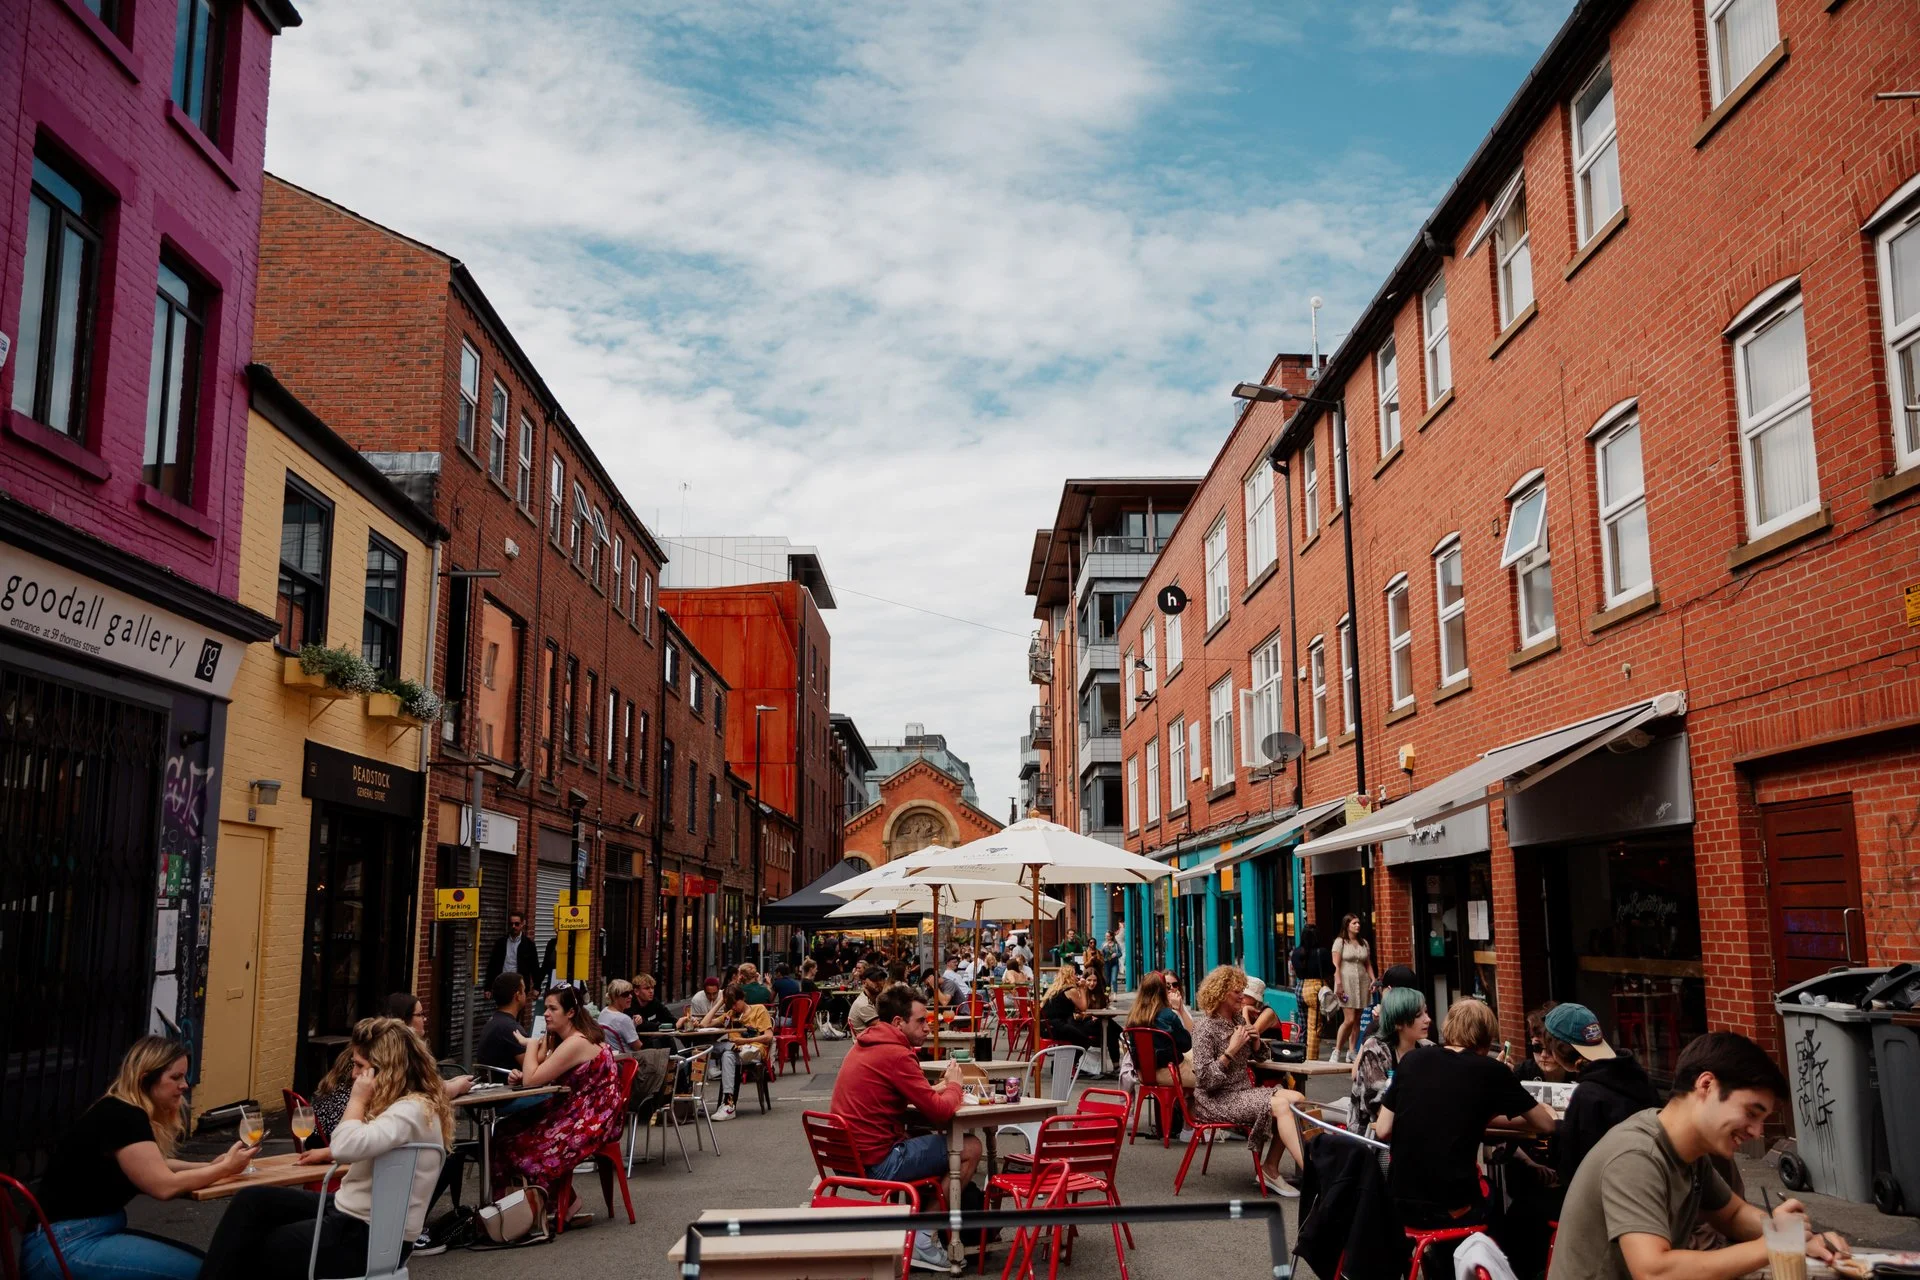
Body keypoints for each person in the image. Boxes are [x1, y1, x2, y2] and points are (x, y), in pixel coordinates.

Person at [1549, 1031, 1848, 1280]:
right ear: (1706, 1085)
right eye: (1751, 1112)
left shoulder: (1687, 1150)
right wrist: (1777, 1244)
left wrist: (1795, 1235)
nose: (1757, 1131)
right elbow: (1655, 1271)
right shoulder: (1636, 1155)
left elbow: (1731, 1214)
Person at [201, 1018, 451, 1280]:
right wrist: (328, 1152)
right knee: (252, 1201)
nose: (354, 1074)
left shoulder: (409, 1110)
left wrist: (357, 1099)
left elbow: (345, 1146)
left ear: (386, 1069)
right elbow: (372, 1143)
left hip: (369, 1238)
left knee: (267, 1244)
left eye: (360, 1066)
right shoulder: (408, 1108)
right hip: (353, 1215)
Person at [23, 1037, 255, 1280]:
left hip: (70, 1238)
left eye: (184, 1076)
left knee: (208, 1265)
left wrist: (210, 1166)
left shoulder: (118, 1108)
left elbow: (154, 1165)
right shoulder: (124, 1115)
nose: (185, 1085)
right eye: (175, 1077)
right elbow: (163, 1186)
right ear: (146, 1078)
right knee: (207, 1272)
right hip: (65, 1248)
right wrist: (225, 1168)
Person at [830, 984, 982, 1275]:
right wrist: (953, 1085)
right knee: (970, 1147)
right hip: (878, 1164)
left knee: (937, 1142)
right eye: (922, 1021)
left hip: (846, 1160)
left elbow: (909, 1094)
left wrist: (935, 1090)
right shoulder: (898, 1054)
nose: (928, 1027)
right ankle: (924, 1236)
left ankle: (916, 1228)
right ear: (898, 1023)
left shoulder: (866, 1043)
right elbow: (939, 1112)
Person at [1374, 999, 1557, 1228]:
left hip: (1398, 1201)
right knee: (1496, 1201)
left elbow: (1382, 1129)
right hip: (1453, 1205)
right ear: (1487, 1036)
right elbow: (1546, 1125)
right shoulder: (1492, 1071)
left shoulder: (1411, 1059)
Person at [491, 986, 625, 1218]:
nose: (546, 1014)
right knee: (506, 1130)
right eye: (546, 1008)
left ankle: (536, 1210)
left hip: (592, 1122)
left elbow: (533, 1080)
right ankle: (529, 1208)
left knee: (516, 1143)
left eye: (553, 1009)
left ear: (571, 1012)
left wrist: (531, 1045)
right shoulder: (568, 1039)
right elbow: (538, 1070)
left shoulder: (576, 1042)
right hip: (580, 1113)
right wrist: (522, 1073)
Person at [1189, 966, 1308, 1195]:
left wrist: (1255, 1043)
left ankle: (1270, 1168)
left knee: (1298, 1100)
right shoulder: (1204, 1028)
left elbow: (1262, 1056)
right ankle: (1316, 1177)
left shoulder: (1237, 1020)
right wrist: (1230, 1052)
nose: (1243, 997)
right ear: (1223, 993)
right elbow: (1204, 1081)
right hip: (1216, 1099)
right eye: (1237, 992)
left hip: (1242, 1092)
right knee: (1284, 1105)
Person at [1543, 1003, 1661, 1183]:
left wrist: (1556, 1125)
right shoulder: (1637, 1074)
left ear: (1558, 1050)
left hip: (1608, 1196)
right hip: (1650, 1181)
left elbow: (1573, 1166)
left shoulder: (1587, 1094)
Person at [1347, 986, 1431, 1135]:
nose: (1428, 1020)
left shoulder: (1428, 1049)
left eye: (1426, 1012)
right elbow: (1380, 1110)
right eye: (1419, 1015)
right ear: (1398, 1022)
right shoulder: (1375, 1050)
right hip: (1372, 1141)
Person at [703, 983, 773, 1121]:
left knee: (726, 1053)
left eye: (735, 1003)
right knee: (708, 1047)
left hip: (753, 1050)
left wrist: (745, 1042)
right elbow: (705, 1024)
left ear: (743, 998)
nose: (734, 1007)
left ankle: (728, 1104)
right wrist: (720, 1003)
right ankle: (728, 1104)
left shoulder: (759, 1010)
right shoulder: (730, 1015)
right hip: (736, 1052)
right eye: (731, 1005)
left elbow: (769, 1036)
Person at [1125, 970, 1196, 1087]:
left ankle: (1174, 1104)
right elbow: (1186, 1045)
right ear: (1162, 990)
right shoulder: (1168, 1015)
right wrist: (1177, 1010)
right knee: (1208, 1081)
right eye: (1167, 986)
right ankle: (1183, 1105)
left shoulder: (1134, 1016)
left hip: (1143, 1074)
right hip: (1171, 1072)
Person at [1329, 913, 1376, 1063]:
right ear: (1347, 925)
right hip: (1346, 981)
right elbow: (1335, 965)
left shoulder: (1364, 943)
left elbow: (1367, 964)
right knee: (1348, 1019)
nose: (1357, 925)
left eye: (1358, 923)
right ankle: (1337, 1050)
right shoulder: (1340, 942)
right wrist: (1339, 984)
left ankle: (1352, 1050)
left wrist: (1373, 980)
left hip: (1361, 982)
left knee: (1357, 1019)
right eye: (1354, 923)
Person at [1289, 923, 1332, 1061]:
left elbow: (1296, 971)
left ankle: (1299, 1053)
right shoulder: (1322, 952)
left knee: (1303, 1025)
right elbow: (1331, 970)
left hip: (1300, 988)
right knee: (1314, 1026)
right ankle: (1311, 1058)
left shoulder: (1296, 952)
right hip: (1314, 989)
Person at [476, 973, 530, 1075]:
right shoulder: (510, 1028)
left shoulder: (494, 1020)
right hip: (504, 1087)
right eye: (524, 990)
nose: (526, 994)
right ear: (518, 996)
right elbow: (531, 1067)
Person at [1039, 963, 1098, 1050]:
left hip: (1045, 1028)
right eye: (1074, 974)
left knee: (1080, 1034)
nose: (1077, 976)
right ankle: (1077, 1062)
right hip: (1057, 1028)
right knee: (1085, 1041)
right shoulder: (1071, 990)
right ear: (1069, 976)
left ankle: (1073, 1061)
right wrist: (1082, 988)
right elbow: (1083, 1007)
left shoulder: (1055, 989)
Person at [1516, 1002, 1573, 1083]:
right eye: (1537, 1047)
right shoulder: (1522, 1072)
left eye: (1550, 1048)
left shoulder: (1580, 1073)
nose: (1544, 1055)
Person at [483, 910, 539, 987]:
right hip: (502, 983)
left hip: (519, 985)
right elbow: (492, 965)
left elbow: (534, 967)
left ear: (522, 924)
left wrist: (537, 987)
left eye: (517, 924)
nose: (513, 926)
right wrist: (488, 987)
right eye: (511, 924)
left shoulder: (529, 944)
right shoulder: (501, 942)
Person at [596, 978, 640, 1051]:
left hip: (611, 1057)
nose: (630, 996)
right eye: (625, 994)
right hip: (626, 1059)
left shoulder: (604, 1011)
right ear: (615, 997)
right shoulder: (623, 1019)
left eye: (631, 993)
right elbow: (638, 1047)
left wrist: (633, 1024)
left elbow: (617, 1029)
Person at [846, 967, 889, 1037]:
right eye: (874, 980)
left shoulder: (874, 999)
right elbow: (883, 1028)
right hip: (867, 1045)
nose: (879, 983)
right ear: (864, 982)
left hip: (873, 1039)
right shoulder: (863, 1004)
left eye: (881, 979)